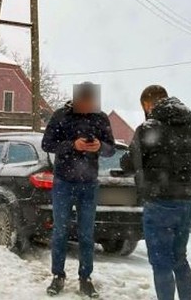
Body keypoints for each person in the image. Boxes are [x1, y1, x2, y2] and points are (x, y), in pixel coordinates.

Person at [124, 85, 191, 300]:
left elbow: (131, 163)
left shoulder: (149, 128)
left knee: (161, 263)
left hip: (160, 201)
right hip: (187, 200)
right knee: (179, 258)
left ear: (148, 104)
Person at [42, 82, 115, 298]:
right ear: (76, 100)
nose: (87, 106)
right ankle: (58, 275)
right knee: (60, 231)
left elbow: (111, 148)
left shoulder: (100, 118)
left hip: (89, 184)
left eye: (91, 102)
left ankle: (86, 278)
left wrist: (100, 146)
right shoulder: (61, 116)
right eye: (84, 102)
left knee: (86, 233)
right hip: (64, 182)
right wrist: (72, 145)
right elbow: (47, 144)